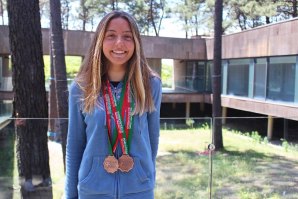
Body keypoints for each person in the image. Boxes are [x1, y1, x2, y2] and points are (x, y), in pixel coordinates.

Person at [64, 10, 162, 199]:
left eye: (127, 36)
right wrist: (70, 195)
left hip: (138, 191)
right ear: (100, 40)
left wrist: (146, 178)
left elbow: (153, 138)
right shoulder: (81, 87)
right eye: (111, 36)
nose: (119, 43)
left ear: (136, 42)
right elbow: (75, 144)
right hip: (92, 191)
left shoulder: (151, 85)